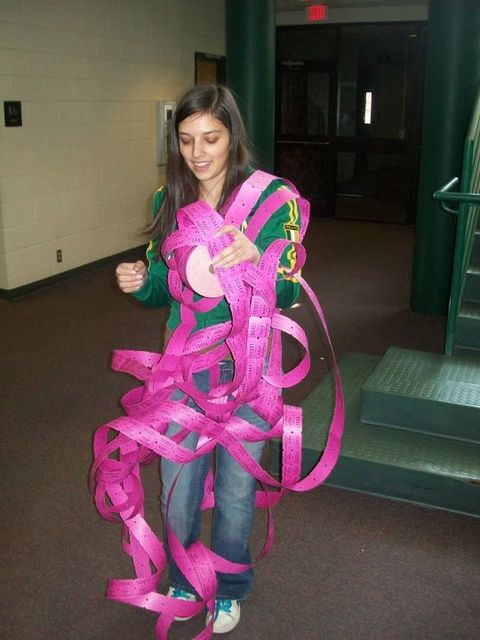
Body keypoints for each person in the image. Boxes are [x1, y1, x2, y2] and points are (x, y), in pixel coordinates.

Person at [115, 84, 302, 635]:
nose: (198, 153)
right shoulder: (167, 199)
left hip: (248, 366)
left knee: (240, 488)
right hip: (185, 367)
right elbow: (164, 290)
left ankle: (229, 587)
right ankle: (183, 576)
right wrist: (140, 283)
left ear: (232, 138)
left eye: (211, 139)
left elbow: (290, 287)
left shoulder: (272, 199)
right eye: (187, 139)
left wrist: (260, 262)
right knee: (177, 483)